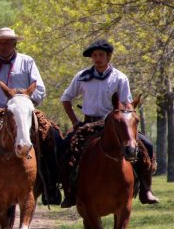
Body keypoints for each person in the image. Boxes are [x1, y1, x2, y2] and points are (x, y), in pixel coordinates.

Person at [0, 27, 61, 206]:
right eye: (0, 42)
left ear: (15, 43)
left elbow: (39, 89)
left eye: (7, 42)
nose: (3, 45)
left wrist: (26, 103)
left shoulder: (27, 61)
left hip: (23, 112)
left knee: (52, 136)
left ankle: (51, 186)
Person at [60, 39, 159, 207]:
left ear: (108, 56)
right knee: (65, 148)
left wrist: (123, 120)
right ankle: (69, 192)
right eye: (94, 55)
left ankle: (145, 189)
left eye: (101, 55)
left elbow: (127, 104)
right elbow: (66, 99)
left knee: (147, 146)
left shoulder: (120, 77)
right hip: (89, 124)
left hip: (116, 124)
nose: (97, 58)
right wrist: (75, 122)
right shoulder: (82, 76)